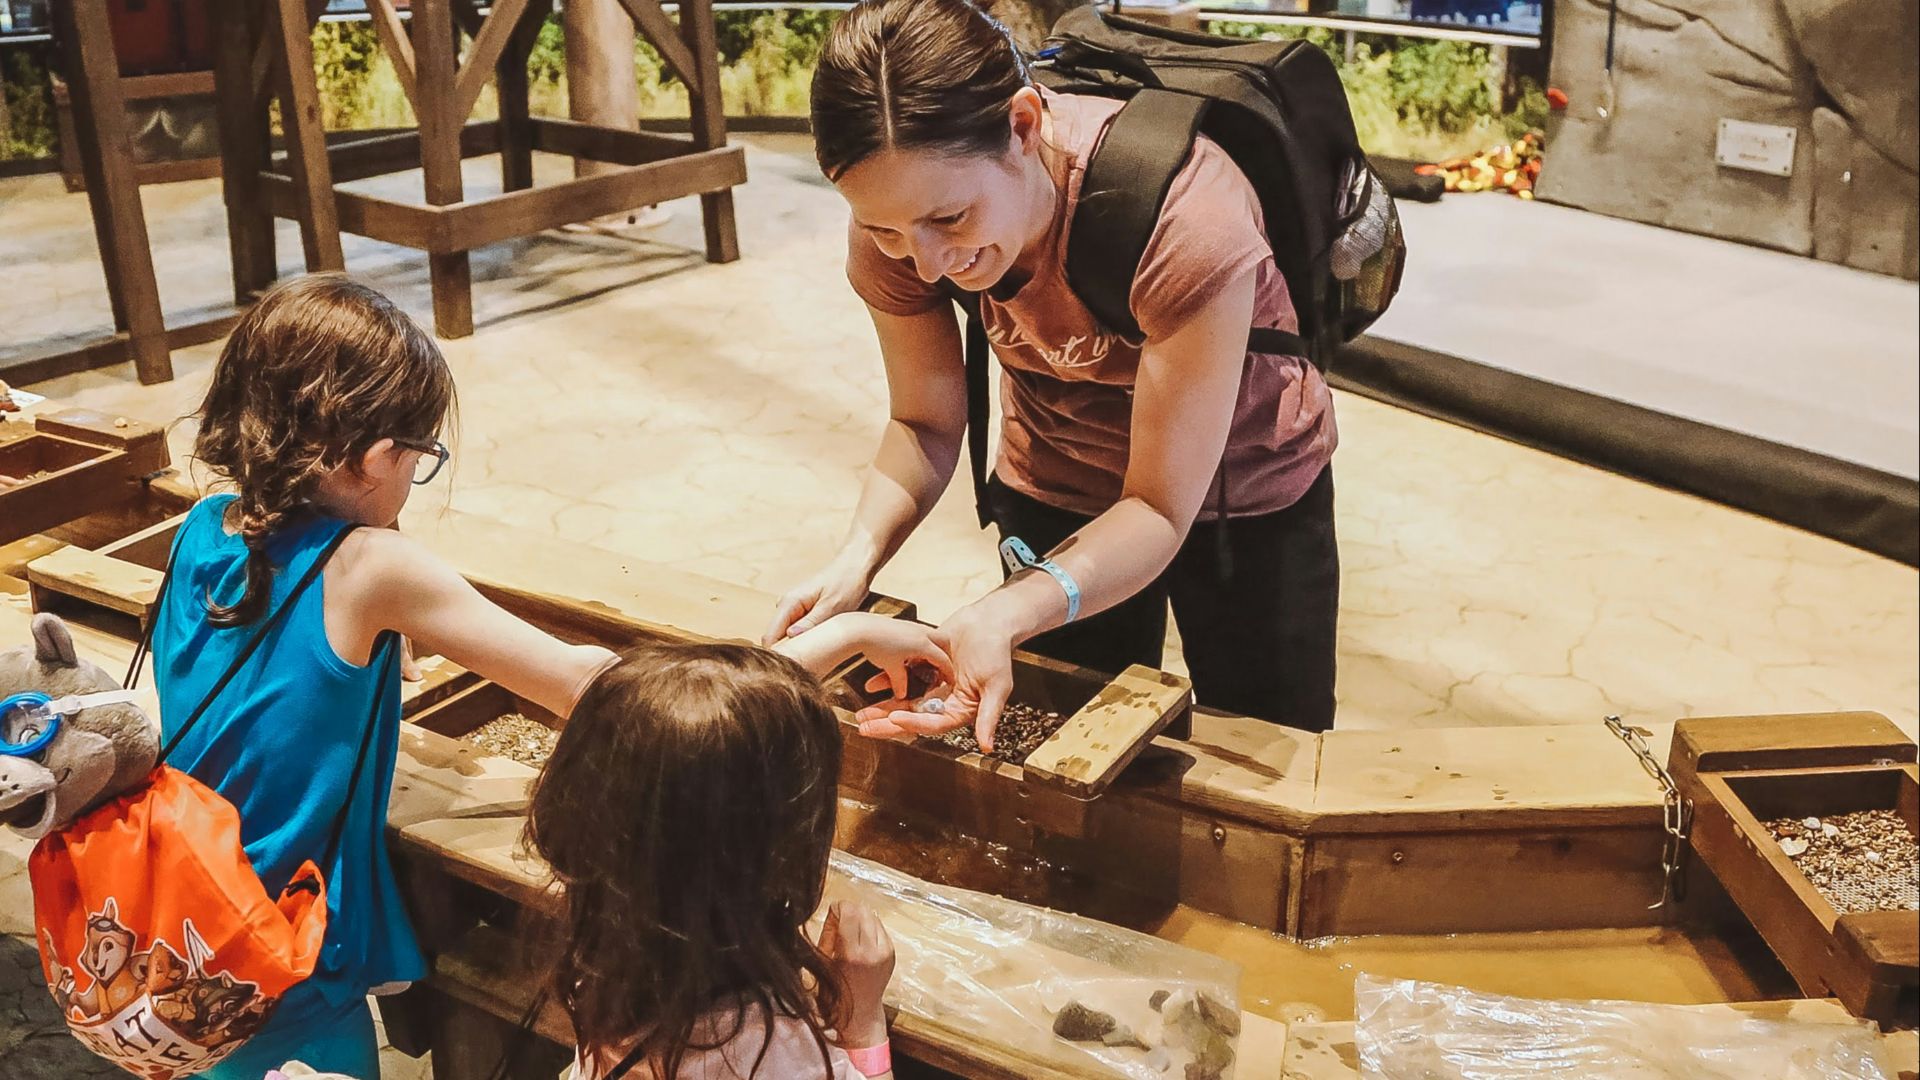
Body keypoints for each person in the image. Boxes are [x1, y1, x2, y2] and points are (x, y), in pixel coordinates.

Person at [156, 275, 940, 1078]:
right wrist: (846, 634)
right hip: (281, 950)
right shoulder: (371, 567)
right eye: (421, 455)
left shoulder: (202, 526)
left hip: (182, 911)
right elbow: (613, 692)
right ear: (376, 456)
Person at [768, 0, 1341, 749]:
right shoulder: (900, 217)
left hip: (1243, 489)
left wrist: (1009, 608)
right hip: (1056, 474)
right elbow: (923, 420)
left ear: (1023, 125)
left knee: (1264, 740)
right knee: (1062, 727)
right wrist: (857, 559)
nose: (927, 264)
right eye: (885, 230)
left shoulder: (1185, 216)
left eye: (951, 219)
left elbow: (1158, 508)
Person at [530, 642, 897, 1080]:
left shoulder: (603, 951)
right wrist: (863, 1019)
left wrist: (853, 634)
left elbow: (698, 728)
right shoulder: (772, 1055)